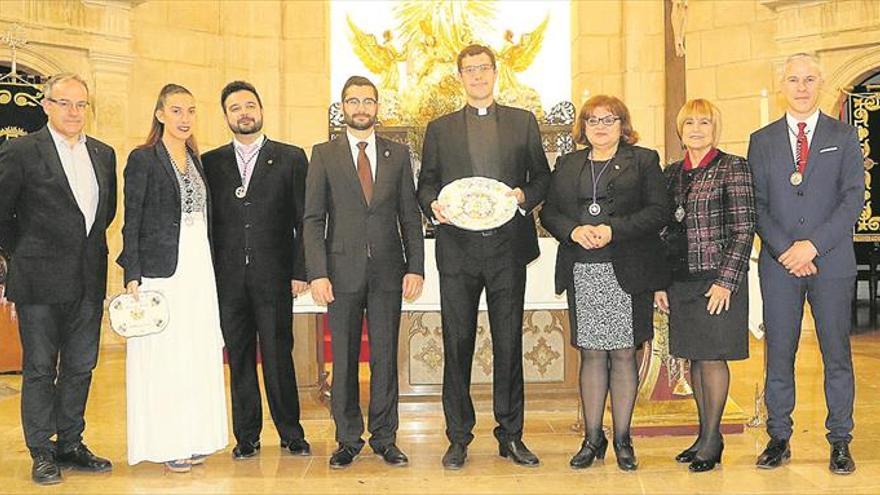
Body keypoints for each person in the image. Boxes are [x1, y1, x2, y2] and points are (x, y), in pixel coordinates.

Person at [417, 44, 550, 470]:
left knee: (509, 342)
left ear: (495, 73)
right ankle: (458, 437)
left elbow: (543, 178)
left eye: (483, 68)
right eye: (469, 70)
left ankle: (510, 434)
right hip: (458, 252)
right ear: (460, 77)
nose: (477, 76)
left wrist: (524, 196)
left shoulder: (522, 122)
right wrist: (432, 206)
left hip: (506, 250)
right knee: (457, 344)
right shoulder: (439, 129)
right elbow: (426, 185)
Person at [748, 53, 863, 475]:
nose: (801, 87)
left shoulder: (844, 136)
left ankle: (840, 440)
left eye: (809, 79)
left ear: (821, 83)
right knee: (779, 353)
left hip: (831, 263)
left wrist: (811, 246)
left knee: (837, 354)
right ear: (782, 84)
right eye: (794, 79)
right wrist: (787, 250)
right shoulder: (761, 140)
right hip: (780, 266)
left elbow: (853, 199)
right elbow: (756, 204)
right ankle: (779, 437)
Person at [540, 94, 668, 472]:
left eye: (609, 120)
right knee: (592, 353)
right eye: (593, 120)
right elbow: (549, 212)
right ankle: (592, 438)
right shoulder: (568, 163)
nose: (600, 126)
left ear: (623, 125)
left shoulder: (643, 160)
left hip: (625, 266)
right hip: (583, 267)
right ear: (583, 127)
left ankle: (623, 438)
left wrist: (613, 230)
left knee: (625, 352)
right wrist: (574, 230)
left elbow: (658, 212)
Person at [0, 73, 115, 485]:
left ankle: (70, 442)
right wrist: (25, 254)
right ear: (46, 105)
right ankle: (42, 451)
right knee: (39, 368)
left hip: (88, 280)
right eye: (64, 103)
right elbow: (3, 215)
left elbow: (105, 216)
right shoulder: (21, 151)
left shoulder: (104, 153)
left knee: (81, 366)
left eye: (81, 104)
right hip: (38, 282)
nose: (73, 112)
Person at [304, 75, 424, 469]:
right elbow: (312, 218)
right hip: (340, 274)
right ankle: (348, 438)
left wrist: (416, 267)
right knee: (344, 358)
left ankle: (386, 437)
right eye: (353, 101)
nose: (361, 108)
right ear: (342, 108)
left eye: (367, 101)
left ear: (377, 107)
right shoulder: (324, 154)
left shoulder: (398, 154)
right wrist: (318, 273)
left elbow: (409, 215)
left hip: (389, 273)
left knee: (385, 357)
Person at [117, 84, 228, 473]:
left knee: (195, 352)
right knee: (165, 357)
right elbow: (132, 219)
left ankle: (195, 437)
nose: (185, 118)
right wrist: (132, 273)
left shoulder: (197, 160)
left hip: (198, 267)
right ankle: (168, 442)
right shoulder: (143, 158)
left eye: (191, 111)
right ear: (160, 114)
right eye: (177, 110)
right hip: (160, 272)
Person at [202, 81, 311, 460]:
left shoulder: (291, 157)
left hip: (275, 276)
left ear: (261, 110)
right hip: (228, 279)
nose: (244, 112)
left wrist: (301, 270)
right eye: (235, 108)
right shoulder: (210, 162)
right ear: (226, 115)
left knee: (279, 355)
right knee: (240, 356)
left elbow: (304, 220)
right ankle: (246, 435)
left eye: (250, 105)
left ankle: (291, 432)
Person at [654, 98, 756, 472]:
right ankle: (703, 434)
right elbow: (663, 230)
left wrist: (726, 281)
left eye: (705, 122)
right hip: (681, 280)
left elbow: (744, 229)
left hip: (716, 280)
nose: (697, 129)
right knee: (695, 357)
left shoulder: (733, 168)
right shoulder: (670, 173)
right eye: (690, 123)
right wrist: (661, 283)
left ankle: (713, 441)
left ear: (715, 129)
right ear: (680, 130)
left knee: (712, 358)